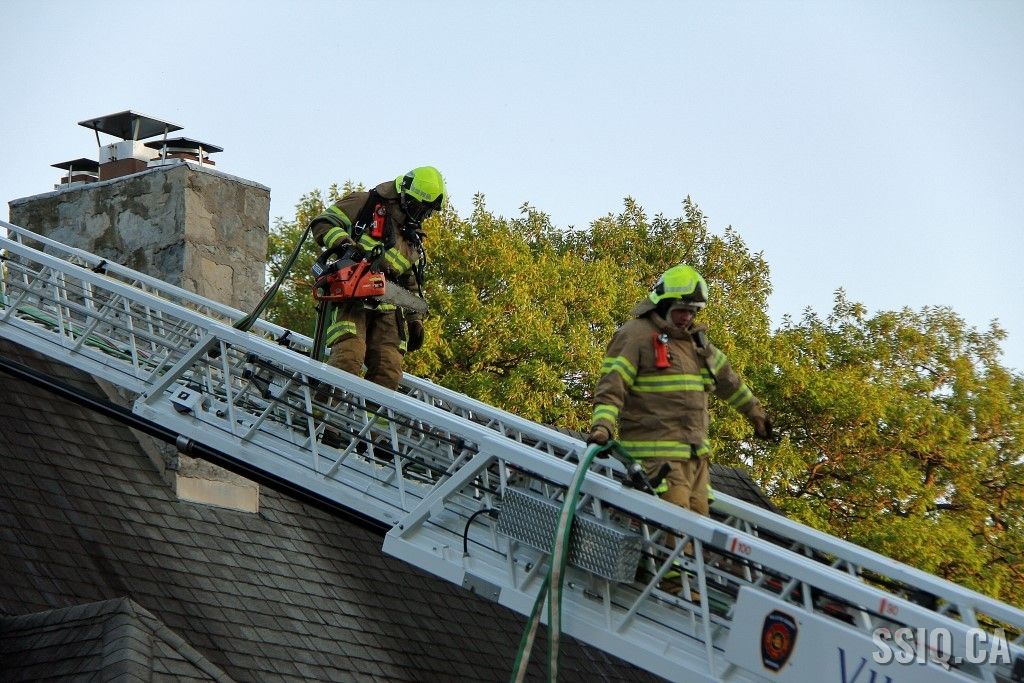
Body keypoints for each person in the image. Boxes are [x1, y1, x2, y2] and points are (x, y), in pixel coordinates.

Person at [587, 264, 773, 517]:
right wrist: (602, 427)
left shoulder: (696, 343)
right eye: (681, 310)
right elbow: (612, 386)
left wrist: (755, 413)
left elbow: (728, 380)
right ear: (664, 305)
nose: (687, 317)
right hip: (657, 458)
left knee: (698, 531)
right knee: (674, 530)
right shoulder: (635, 335)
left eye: (692, 311)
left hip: (696, 458)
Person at [309, 166, 446, 390]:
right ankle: (326, 410)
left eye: (426, 212)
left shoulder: (412, 237)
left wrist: (415, 318)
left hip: (387, 305)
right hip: (352, 296)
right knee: (350, 355)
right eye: (418, 207)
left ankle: (371, 415)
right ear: (404, 193)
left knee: (388, 369)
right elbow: (323, 222)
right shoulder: (365, 203)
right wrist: (346, 245)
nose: (420, 215)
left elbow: (409, 281)